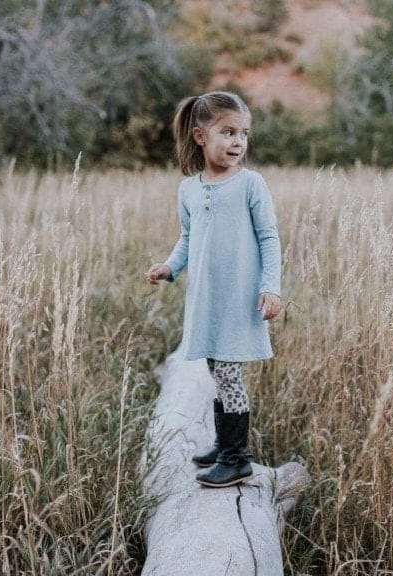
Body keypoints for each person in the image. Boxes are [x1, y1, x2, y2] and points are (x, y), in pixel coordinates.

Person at [147, 91, 283, 488]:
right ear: (200, 136)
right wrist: (169, 267)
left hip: (241, 299)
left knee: (228, 372)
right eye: (228, 132)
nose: (238, 141)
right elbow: (188, 238)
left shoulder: (250, 184)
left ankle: (237, 458)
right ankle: (225, 444)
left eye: (243, 133)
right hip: (208, 298)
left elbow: (269, 238)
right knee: (214, 368)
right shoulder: (189, 189)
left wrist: (271, 288)